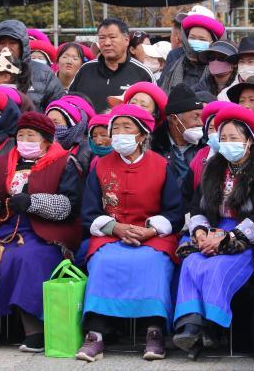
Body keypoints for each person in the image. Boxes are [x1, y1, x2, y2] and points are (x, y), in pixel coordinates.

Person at [0, 112, 82, 352]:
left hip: (44, 230)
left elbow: (69, 206)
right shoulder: (3, 163)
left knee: (29, 258)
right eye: (21, 135)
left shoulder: (64, 162)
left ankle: (34, 330)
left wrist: (33, 202)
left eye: (31, 136)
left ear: (46, 140)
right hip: (4, 226)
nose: (24, 140)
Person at [173, 105, 254, 353]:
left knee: (218, 266)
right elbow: (196, 206)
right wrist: (200, 232)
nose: (227, 143)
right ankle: (191, 323)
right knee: (192, 260)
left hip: (247, 236)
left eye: (233, 138)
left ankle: (212, 325)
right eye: (223, 138)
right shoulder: (212, 170)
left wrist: (226, 239)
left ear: (249, 141)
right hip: (212, 229)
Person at [77, 105, 183, 362]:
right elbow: (89, 212)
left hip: (153, 235)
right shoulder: (100, 166)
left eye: (127, 128)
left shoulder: (161, 165)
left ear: (142, 135)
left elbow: (175, 212)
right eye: (116, 128)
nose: (120, 133)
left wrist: (150, 230)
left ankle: (154, 331)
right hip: (110, 233)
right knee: (103, 261)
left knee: (153, 262)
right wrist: (115, 228)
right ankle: (96, 333)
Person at [0, 19, 64, 112]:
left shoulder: (43, 72)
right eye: (2, 43)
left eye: (13, 43)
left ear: (23, 45)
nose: (7, 48)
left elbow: (57, 111)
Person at [69, 18, 154, 113]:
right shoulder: (85, 70)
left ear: (126, 40)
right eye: (102, 38)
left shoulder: (143, 73)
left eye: (112, 37)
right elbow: (69, 104)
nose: (107, 43)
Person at [160, 6, 226, 93]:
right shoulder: (173, 63)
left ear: (212, 42)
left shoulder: (219, 67)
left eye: (202, 39)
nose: (196, 42)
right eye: (192, 38)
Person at [151, 84, 206, 184]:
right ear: (174, 119)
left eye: (202, 117)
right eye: (195, 117)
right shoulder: (153, 147)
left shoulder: (206, 147)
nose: (201, 123)